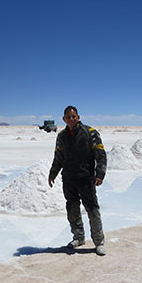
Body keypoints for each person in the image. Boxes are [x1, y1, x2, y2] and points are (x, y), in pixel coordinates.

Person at [48, 106, 107, 256]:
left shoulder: (90, 133)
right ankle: (78, 238)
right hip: (69, 179)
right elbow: (58, 157)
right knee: (72, 210)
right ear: (64, 119)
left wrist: (100, 174)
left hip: (86, 178)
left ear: (78, 117)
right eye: (68, 117)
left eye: (73, 116)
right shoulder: (61, 136)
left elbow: (100, 154)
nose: (71, 119)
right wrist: (53, 173)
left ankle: (99, 242)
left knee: (92, 210)